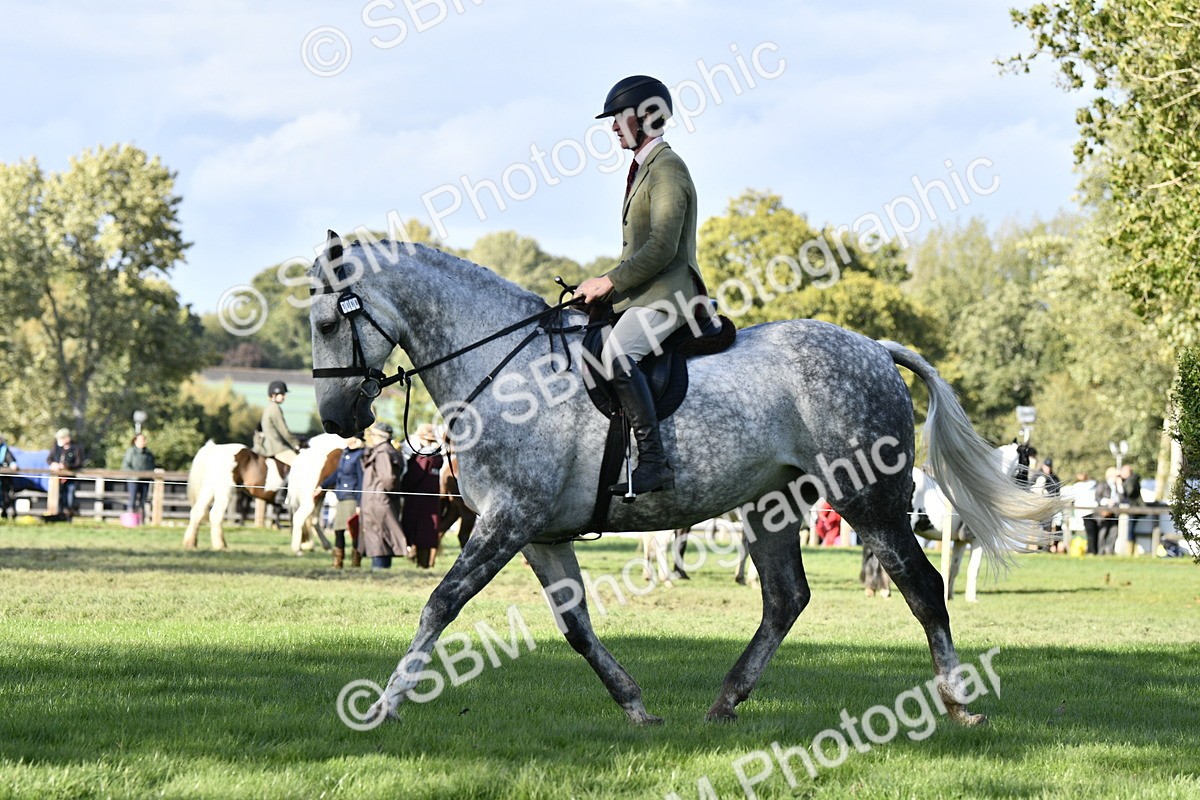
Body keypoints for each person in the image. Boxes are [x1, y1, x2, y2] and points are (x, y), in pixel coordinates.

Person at [576, 75, 709, 498]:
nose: (614, 127)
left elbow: (663, 248)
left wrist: (609, 282)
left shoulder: (667, 168)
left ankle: (653, 462)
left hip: (670, 297)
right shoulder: (643, 170)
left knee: (617, 355)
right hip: (644, 294)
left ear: (646, 117)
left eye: (619, 117)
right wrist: (602, 291)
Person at [358, 422, 407, 570]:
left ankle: (380, 570)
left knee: (379, 536)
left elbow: (388, 478)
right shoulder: (380, 451)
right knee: (379, 536)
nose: (370, 438)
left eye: (372, 435)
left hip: (378, 500)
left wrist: (387, 493)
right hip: (377, 499)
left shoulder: (383, 452)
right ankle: (381, 569)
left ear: (378, 436)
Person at [401, 423, 445, 569]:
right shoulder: (437, 456)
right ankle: (423, 563)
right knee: (427, 532)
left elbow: (414, 476)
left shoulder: (423, 456)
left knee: (418, 531)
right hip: (431, 500)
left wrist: (402, 486)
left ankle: (421, 563)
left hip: (417, 501)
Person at [321, 435, 364, 569]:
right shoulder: (345, 452)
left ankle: (355, 562)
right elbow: (337, 473)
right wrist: (322, 486)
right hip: (341, 496)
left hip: (352, 497)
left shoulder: (360, 455)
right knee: (338, 530)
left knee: (353, 531)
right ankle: (338, 561)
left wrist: (359, 503)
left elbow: (362, 480)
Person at [260, 381, 301, 467]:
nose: (284, 397)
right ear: (274, 395)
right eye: (282, 394)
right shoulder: (275, 408)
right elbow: (284, 431)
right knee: (300, 464)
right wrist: (296, 444)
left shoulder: (269, 407)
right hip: (277, 448)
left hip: (269, 446)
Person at [47, 428, 84, 518]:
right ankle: (59, 515)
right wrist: (54, 464)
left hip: (70, 478)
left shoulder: (76, 448)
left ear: (67, 438)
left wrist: (67, 466)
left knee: (70, 496)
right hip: (57, 478)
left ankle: (69, 514)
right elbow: (49, 459)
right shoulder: (56, 448)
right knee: (59, 496)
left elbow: (79, 463)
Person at [120, 432, 157, 515]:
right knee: (132, 499)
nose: (144, 441)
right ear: (135, 441)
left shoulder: (148, 453)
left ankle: (141, 521)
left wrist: (152, 474)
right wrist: (135, 475)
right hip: (133, 480)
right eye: (141, 440)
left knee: (143, 501)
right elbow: (126, 466)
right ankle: (130, 519)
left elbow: (152, 466)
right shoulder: (131, 451)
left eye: (144, 439)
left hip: (145, 480)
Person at [1095, 467, 1125, 554]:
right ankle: (1101, 552)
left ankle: (1109, 551)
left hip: (1115, 513)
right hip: (1103, 513)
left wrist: (1120, 486)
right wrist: (1107, 501)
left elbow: (1122, 499)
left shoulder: (1117, 486)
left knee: (1114, 533)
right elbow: (1097, 498)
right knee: (1103, 533)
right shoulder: (1102, 485)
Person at [0, 433, 17, 519]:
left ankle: (6, 512)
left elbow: (10, 458)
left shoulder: (4, 449)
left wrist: (13, 464)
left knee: (7, 495)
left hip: (4, 478)